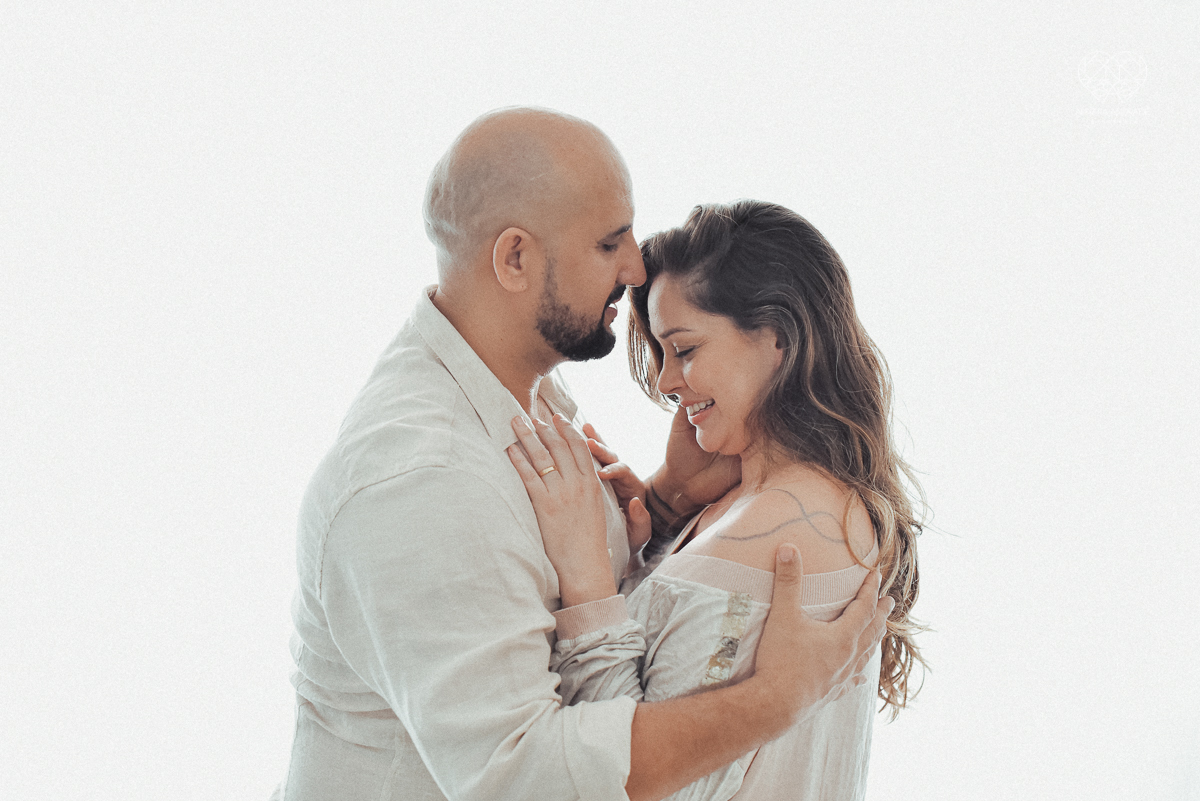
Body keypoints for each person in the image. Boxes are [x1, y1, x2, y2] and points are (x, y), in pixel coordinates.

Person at [273, 109, 893, 801]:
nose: (633, 267)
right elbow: (532, 783)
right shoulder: (423, 483)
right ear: (515, 258)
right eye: (608, 243)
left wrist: (663, 505)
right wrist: (779, 699)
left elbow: (588, 619)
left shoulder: (527, 392)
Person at [508, 200, 925, 800]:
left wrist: (586, 574)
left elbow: (624, 781)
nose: (664, 381)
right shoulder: (774, 503)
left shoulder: (778, 535)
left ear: (777, 338)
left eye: (685, 349)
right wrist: (664, 510)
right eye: (661, 352)